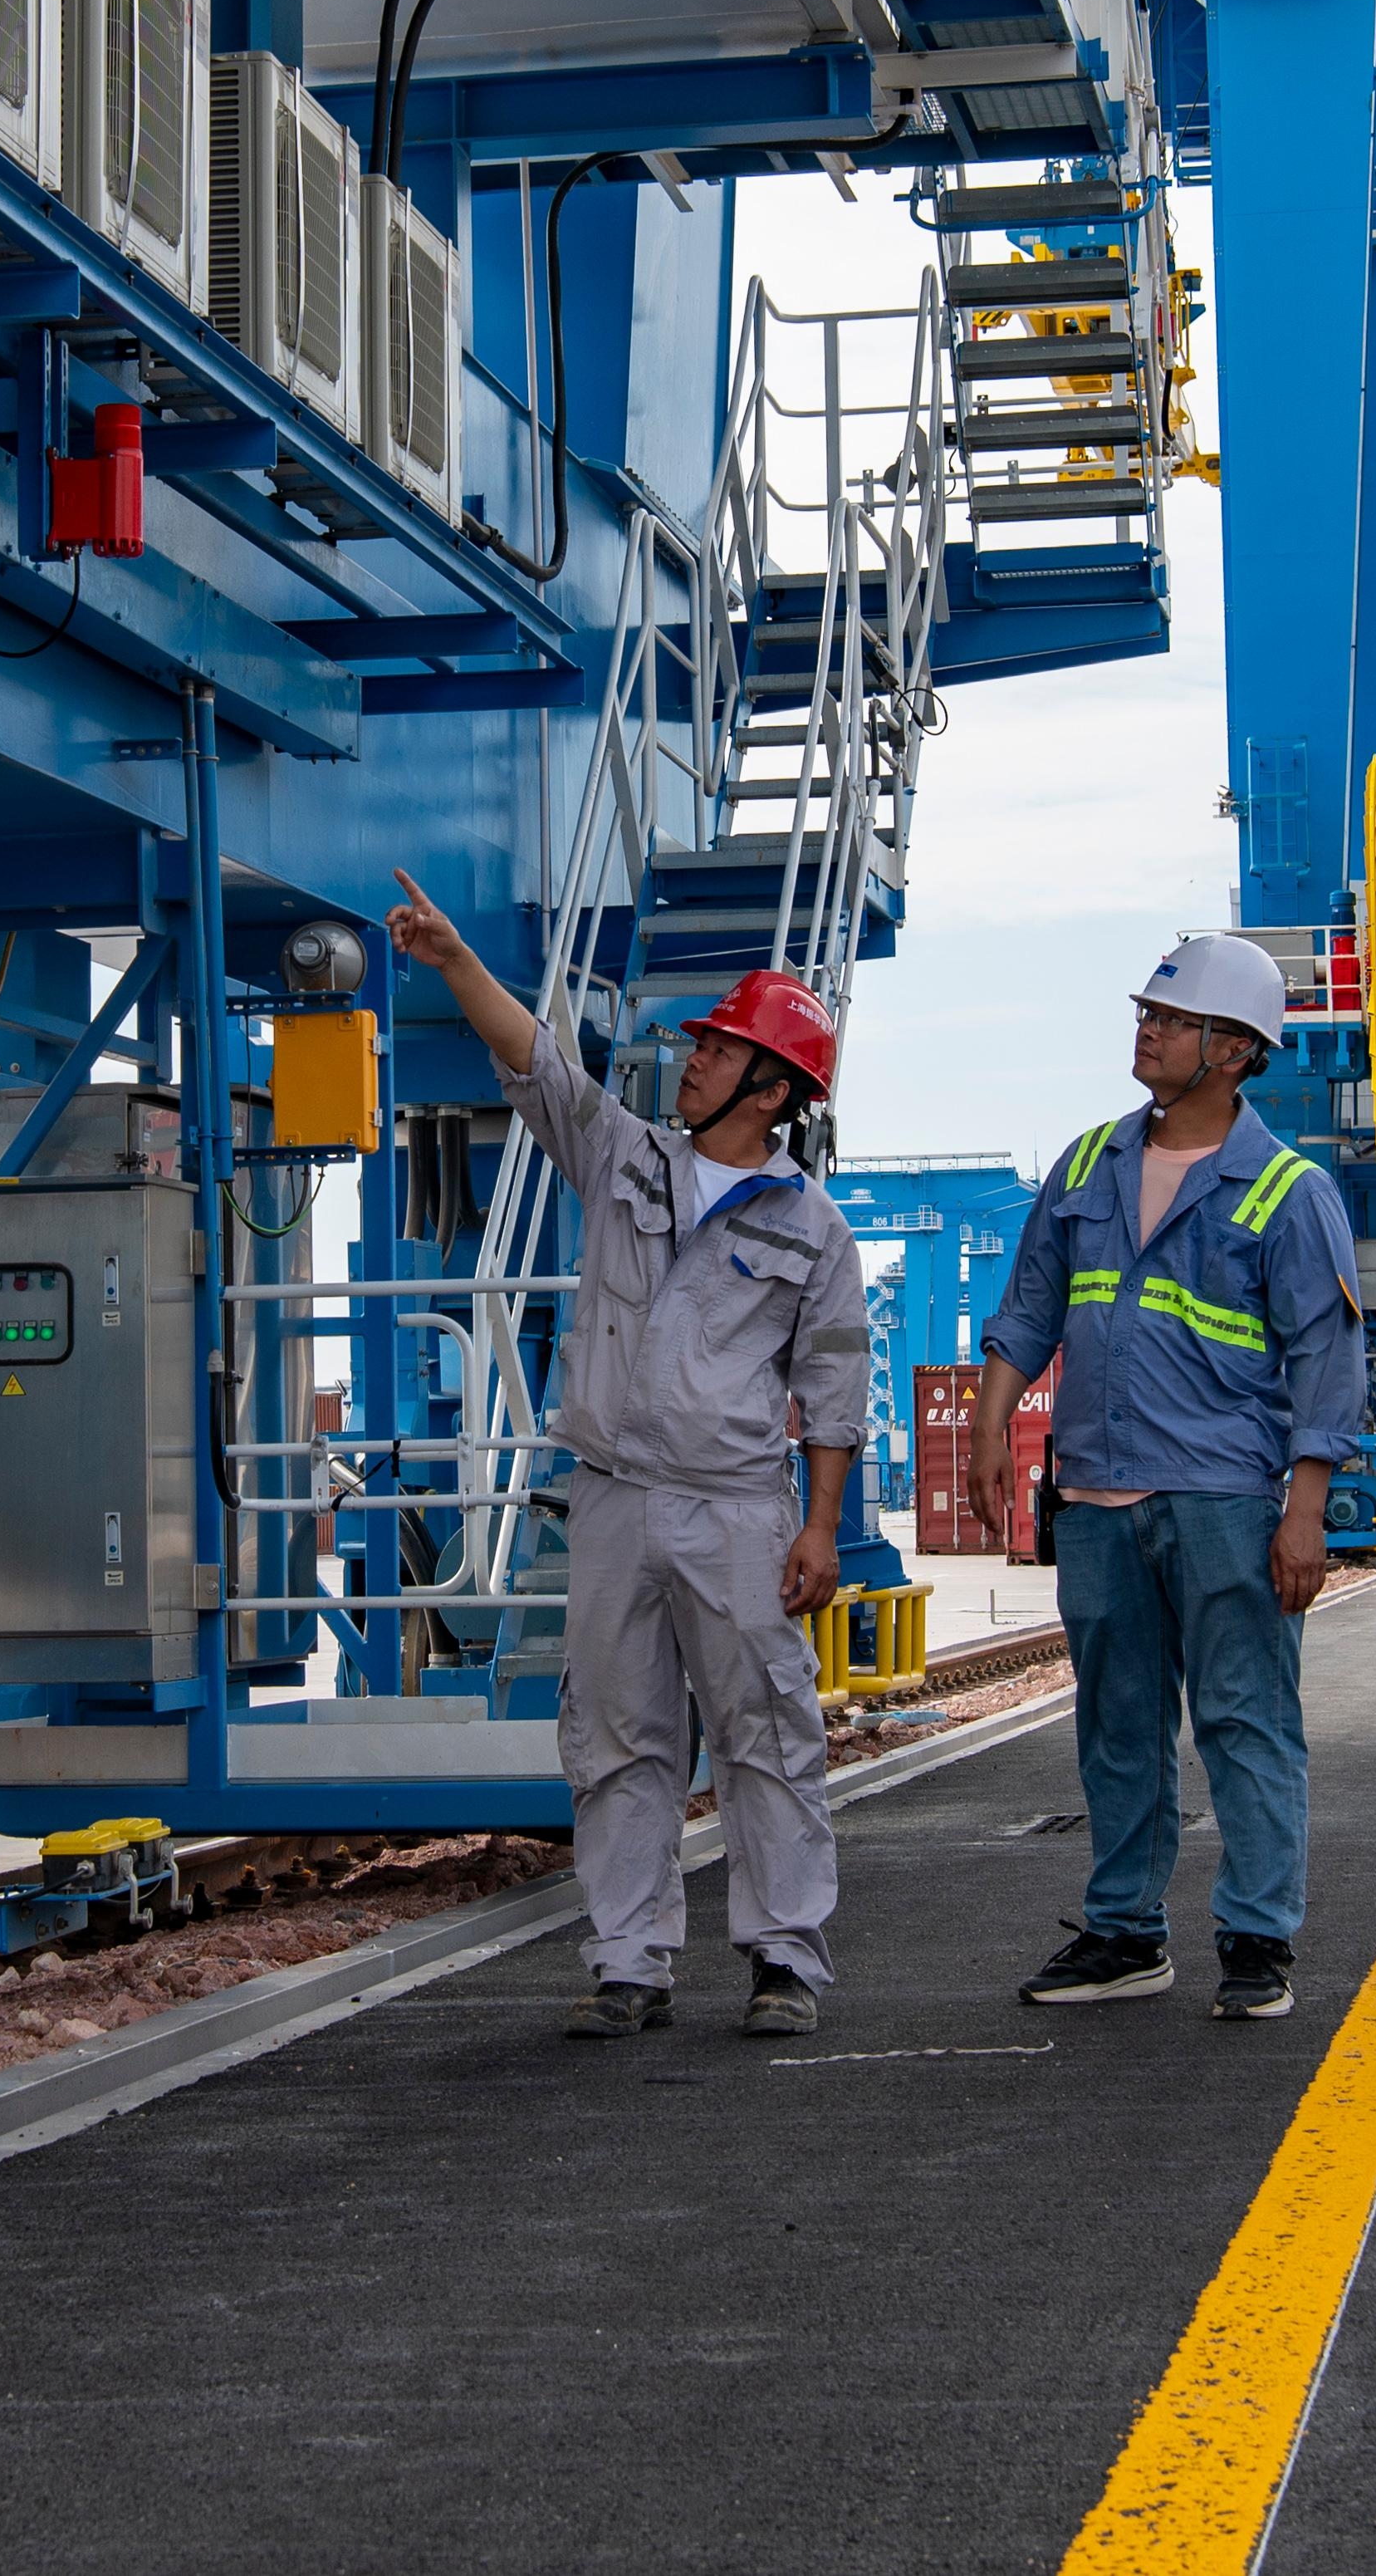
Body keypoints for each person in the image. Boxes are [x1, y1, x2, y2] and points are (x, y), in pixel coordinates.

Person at [383, 871, 868, 2044]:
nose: (691, 1059)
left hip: (737, 1511)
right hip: (610, 1500)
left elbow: (833, 1389)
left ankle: (783, 1959)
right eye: (701, 1046)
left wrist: (817, 1528)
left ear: (770, 1088)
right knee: (614, 1738)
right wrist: (452, 959)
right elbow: (538, 1066)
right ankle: (628, 1960)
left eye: (717, 1051)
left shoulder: (811, 1231)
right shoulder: (624, 1158)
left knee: (765, 1732)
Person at [975, 931, 1364, 2022]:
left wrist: (1304, 1511)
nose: (1145, 1027)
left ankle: (1255, 1937)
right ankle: (1123, 1932)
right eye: (1146, 1011)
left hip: (1223, 1501)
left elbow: (1324, 1363)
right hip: (1096, 1496)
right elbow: (1030, 1306)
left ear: (1234, 1051)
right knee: (1116, 1723)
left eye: (1170, 1017)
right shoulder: (1088, 1161)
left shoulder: (1285, 1191)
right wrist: (995, 1431)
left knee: (1243, 1717)